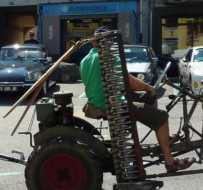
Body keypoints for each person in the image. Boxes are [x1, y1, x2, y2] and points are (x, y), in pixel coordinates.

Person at [80, 27, 195, 173]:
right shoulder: (107, 58)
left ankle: (162, 134)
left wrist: (148, 91)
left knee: (151, 97)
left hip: (98, 101)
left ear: (94, 42)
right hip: (109, 104)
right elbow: (130, 82)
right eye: (109, 41)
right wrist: (148, 86)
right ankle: (170, 161)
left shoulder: (85, 60)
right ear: (106, 42)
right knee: (161, 116)